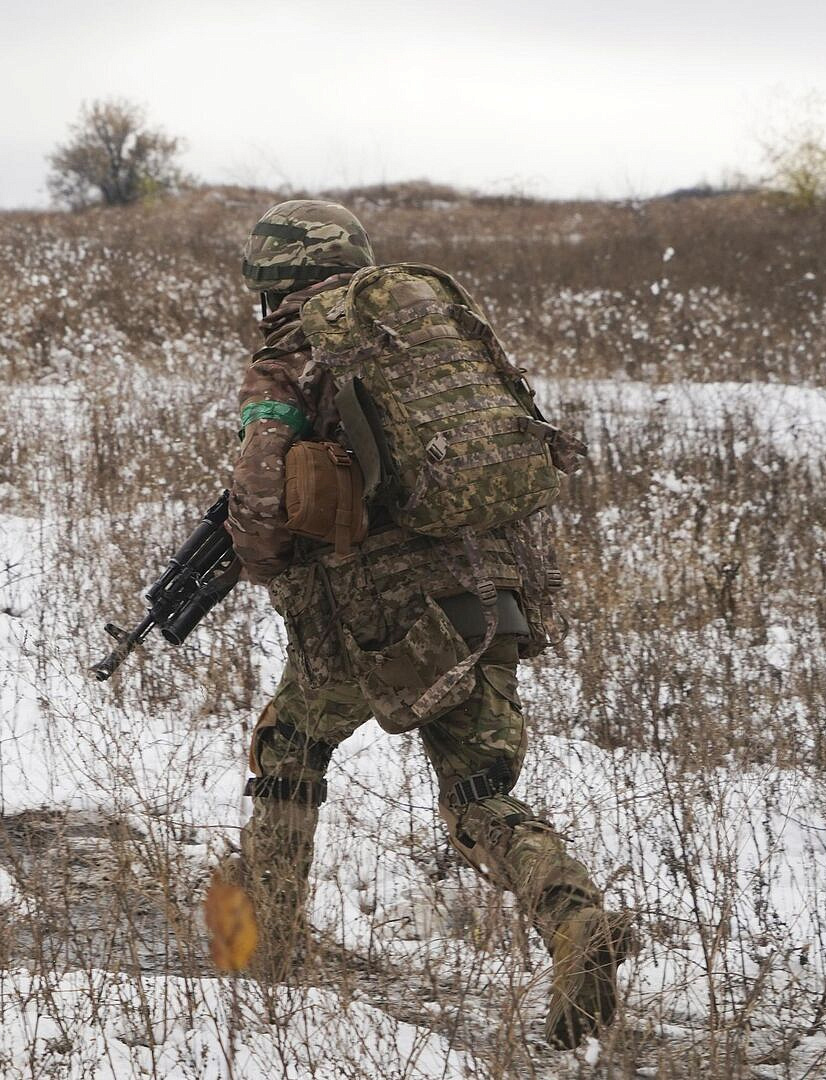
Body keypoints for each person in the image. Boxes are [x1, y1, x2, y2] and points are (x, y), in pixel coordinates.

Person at [223, 198, 633, 1050]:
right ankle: (572, 917)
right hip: (493, 588)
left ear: (271, 285)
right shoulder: (419, 329)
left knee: (290, 745)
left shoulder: (290, 355)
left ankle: (268, 955)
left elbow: (260, 501)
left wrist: (265, 564)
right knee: (481, 792)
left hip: (380, 615)